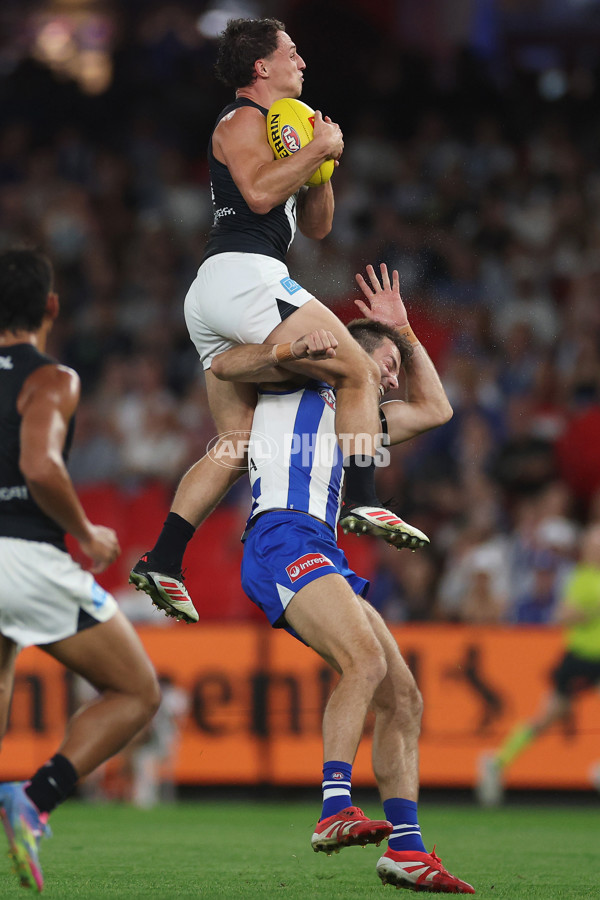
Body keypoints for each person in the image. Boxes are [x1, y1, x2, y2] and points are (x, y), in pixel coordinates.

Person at [129, 17, 427, 625]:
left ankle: (163, 559)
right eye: (292, 53)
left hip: (220, 290)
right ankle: (365, 500)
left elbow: (316, 226)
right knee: (358, 369)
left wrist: (321, 169)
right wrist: (315, 150)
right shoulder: (240, 119)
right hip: (245, 274)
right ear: (261, 67)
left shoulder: (286, 127)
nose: (303, 62)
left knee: (236, 443)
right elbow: (260, 197)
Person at [211, 263, 474, 893]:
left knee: (403, 696)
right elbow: (223, 365)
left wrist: (405, 337)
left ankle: (406, 848)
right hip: (279, 536)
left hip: (322, 549)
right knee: (365, 662)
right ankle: (333, 809)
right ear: (351, 353)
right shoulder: (297, 382)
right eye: (384, 365)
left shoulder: (364, 429)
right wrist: (289, 347)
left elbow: (437, 409)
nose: (390, 379)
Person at [0, 248, 161, 892]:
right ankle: (34, 799)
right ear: (51, 307)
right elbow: (40, 466)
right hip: (25, 556)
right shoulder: (53, 378)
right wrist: (86, 531)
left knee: (5, 664)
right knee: (137, 691)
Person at [477, 521, 600, 807]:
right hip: (581, 659)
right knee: (548, 716)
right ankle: (497, 761)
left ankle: (497, 762)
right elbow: (563, 614)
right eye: (594, 546)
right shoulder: (580, 578)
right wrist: (592, 611)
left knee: (550, 715)